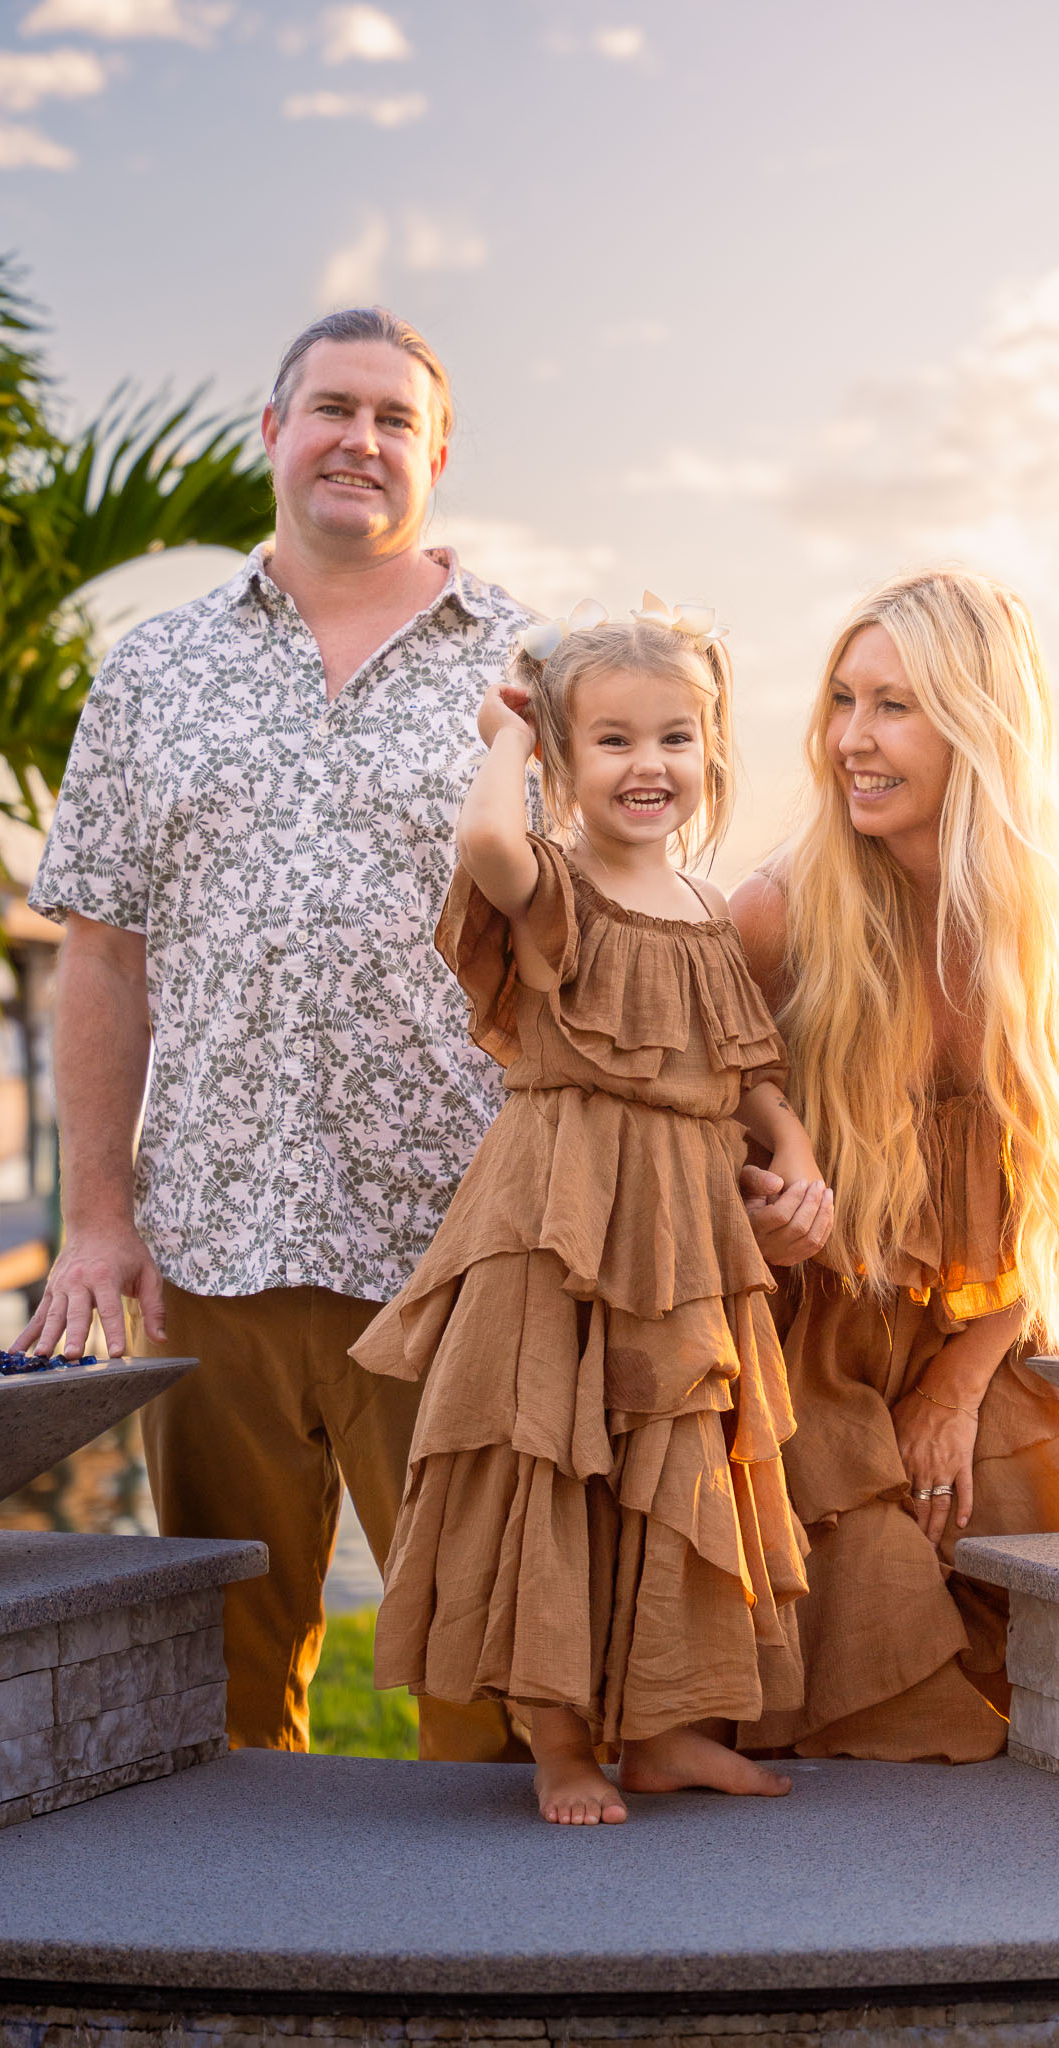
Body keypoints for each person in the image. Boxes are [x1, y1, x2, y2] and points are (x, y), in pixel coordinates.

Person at [21, 307, 538, 1760]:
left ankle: (488, 1979)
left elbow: (606, 950)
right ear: (272, 432)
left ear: (437, 454)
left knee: (487, 1697)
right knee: (223, 1702)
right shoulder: (152, 672)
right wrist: (96, 1217)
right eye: (330, 409)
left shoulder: (535, 672)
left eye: (392, 419)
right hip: (208, 1252)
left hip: (457, 1258)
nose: (357, 441)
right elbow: (104, 959)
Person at [731, 565, 1059, 1764]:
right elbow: (710, 1192)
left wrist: (959, 1381)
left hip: (1009, 1322)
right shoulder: (776, 917)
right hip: (822, 1345)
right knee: (858, 1684)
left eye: (895, 705)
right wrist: (770, 1218)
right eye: (843, 700)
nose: (852, 739)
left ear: (984, 721)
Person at [349, 597, 829, 1822]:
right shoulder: (552, 885)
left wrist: (795, 1146)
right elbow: (485, 845)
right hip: (556, 1221)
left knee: (675, 1461)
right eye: (610, 740)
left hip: (681, 1234)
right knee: (546, 1466)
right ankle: (560, 1747)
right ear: (564, 761)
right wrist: (503, 734)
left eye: (674, 738)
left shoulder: (714, 914)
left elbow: (749, 1067)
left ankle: (664, 1732)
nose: (647, 764)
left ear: (708, 754)